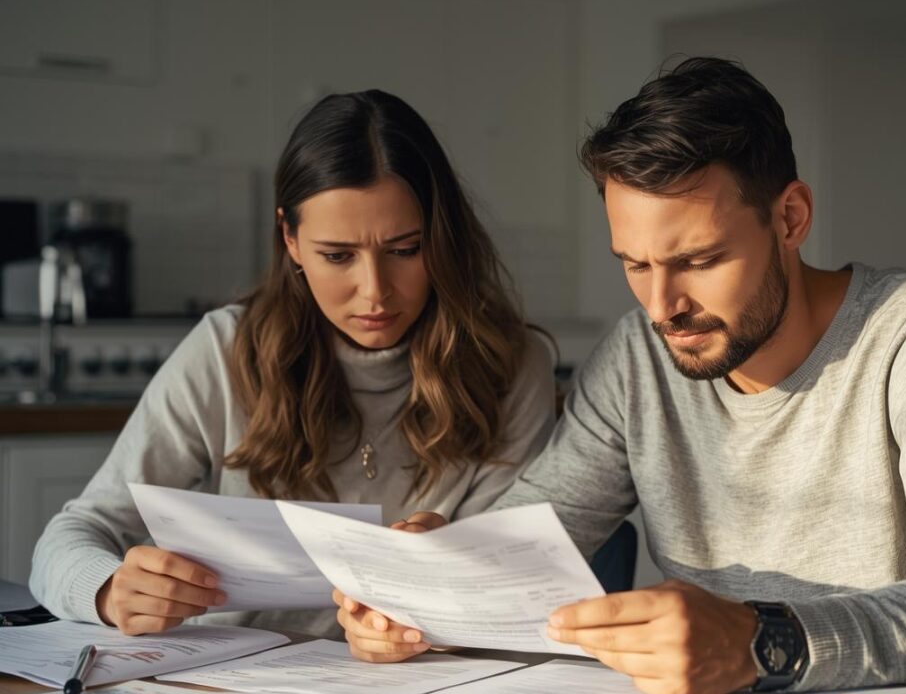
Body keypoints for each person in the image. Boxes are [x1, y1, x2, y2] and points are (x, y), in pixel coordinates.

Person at [366, 57, 906, 694]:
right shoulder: (639, 357)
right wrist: (430, 582)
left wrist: (762, 644)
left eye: (699, 259)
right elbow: (526, 541)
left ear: (790, 218)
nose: (662, 308)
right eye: (635, 264)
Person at [30, 90, 555, 643]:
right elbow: (73, 534)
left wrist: (437, 596)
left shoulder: (511, 365)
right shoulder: (226, 350)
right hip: (233, 683)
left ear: (442, 237)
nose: (374, 291)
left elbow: (511, 590)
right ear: (291, 239)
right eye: (338, 256)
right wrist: (109, 590)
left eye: (405, 249)